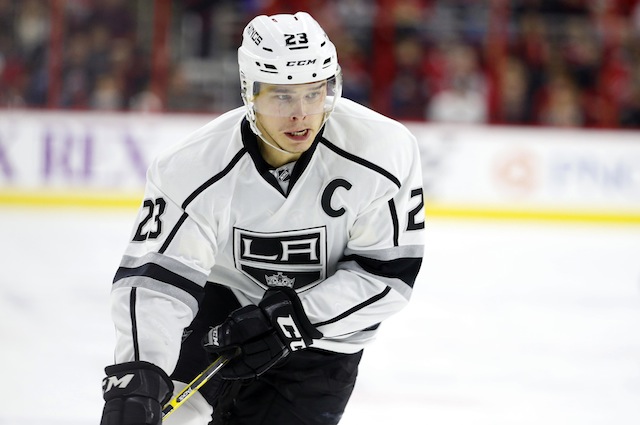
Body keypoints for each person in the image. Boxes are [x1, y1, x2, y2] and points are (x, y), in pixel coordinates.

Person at [99, 11, 425, 425]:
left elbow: (387, 278)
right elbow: (157, 281)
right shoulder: (191, 166)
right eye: (282, 96)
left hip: (323, 341)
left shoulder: (383, 151)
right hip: (222, 307)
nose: (302, 114)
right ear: (249, 93)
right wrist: (139, 374)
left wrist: (290, 319)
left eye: (315, 93)